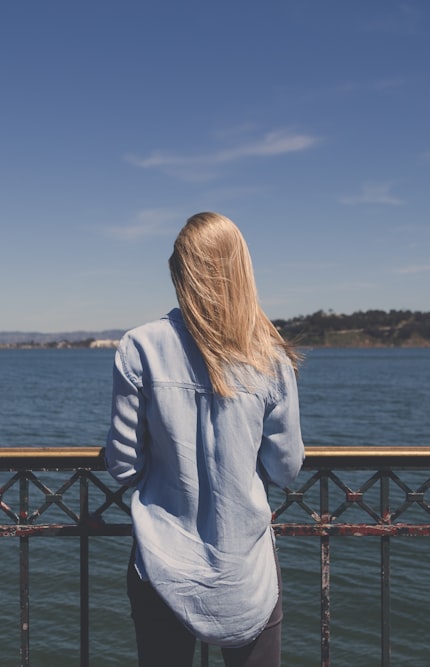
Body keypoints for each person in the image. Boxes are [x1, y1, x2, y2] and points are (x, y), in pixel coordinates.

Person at [104, 212, 304, 666]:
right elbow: (285, 469)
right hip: (245, 574)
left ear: (180, 273)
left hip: (160, 567)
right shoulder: (269, 356)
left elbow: (123, 467)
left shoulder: (139, 346)